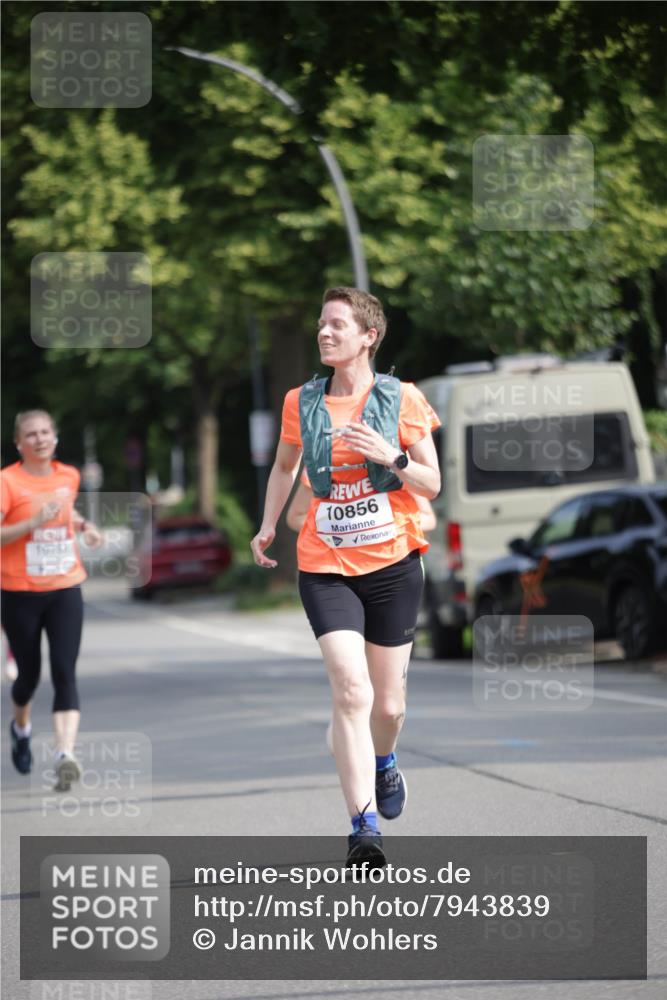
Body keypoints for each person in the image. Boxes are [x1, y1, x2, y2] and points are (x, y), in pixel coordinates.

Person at [251, 288, 441, 866]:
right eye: (321, 323)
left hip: (393, 564)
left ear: (368, 336)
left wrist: (391, 455)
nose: (324, 332)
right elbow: (284, 467)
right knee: (351, 692)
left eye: (337, 324)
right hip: (325, 566)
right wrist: (267, 525)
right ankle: (364, 828)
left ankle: (385, 762)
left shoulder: (403, 398)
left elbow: (432, 484)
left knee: (389, 708)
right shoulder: (301, 401)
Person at [1, 410, 102, 791]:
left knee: (64, 670)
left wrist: (84, 525)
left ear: (55, 438)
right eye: (31, 434)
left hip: (65, 586)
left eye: (46, 432)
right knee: (28, 676)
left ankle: (64, 754)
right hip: (20, 592)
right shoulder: (7, 481)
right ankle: (21, 728)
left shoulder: (69, 475)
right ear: (19, 443)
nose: (40, 439)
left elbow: (65, 511)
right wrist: (32, 522)